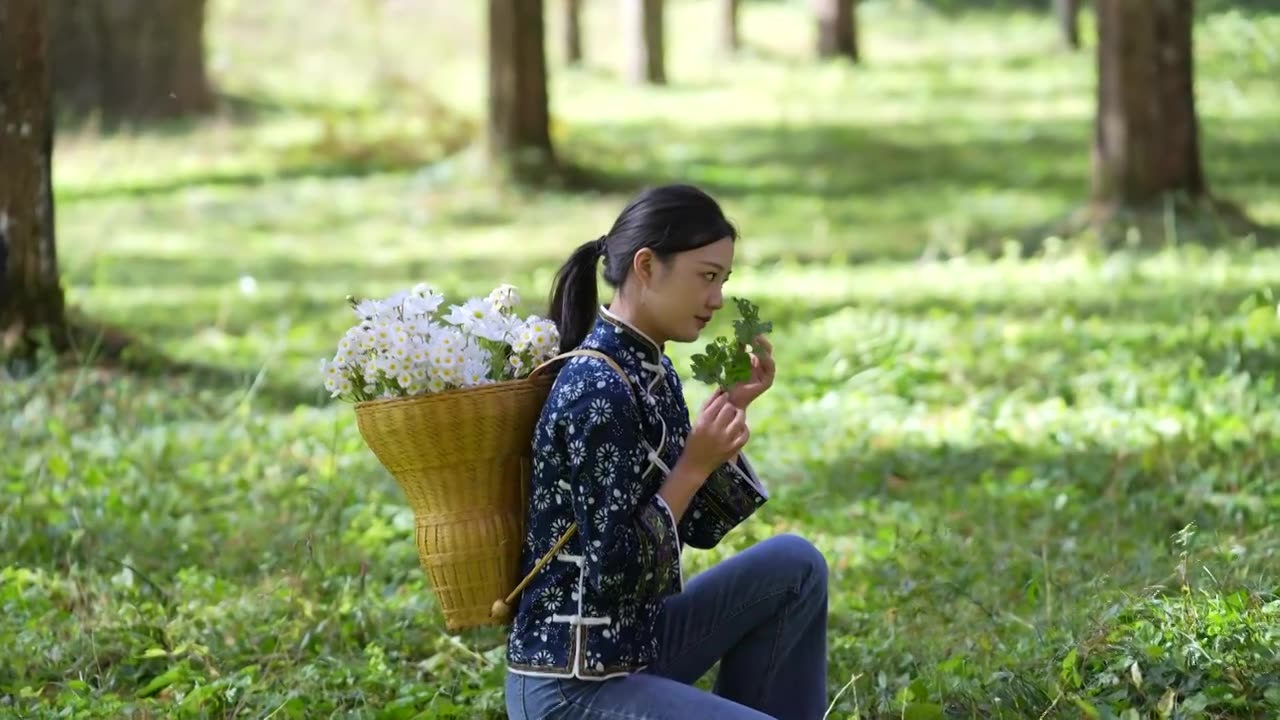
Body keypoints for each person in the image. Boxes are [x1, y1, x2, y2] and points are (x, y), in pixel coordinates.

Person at [504, 184, 829, 720]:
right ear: (647, 266)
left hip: (631, 648)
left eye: (724, 280)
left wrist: (728, 413)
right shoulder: (596, 388)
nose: (718, 299)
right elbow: (613, 572)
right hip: (571, 683)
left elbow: (696, 528)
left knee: (796, 566)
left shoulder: (650, 368)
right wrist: (695, 463)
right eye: (707, 276)